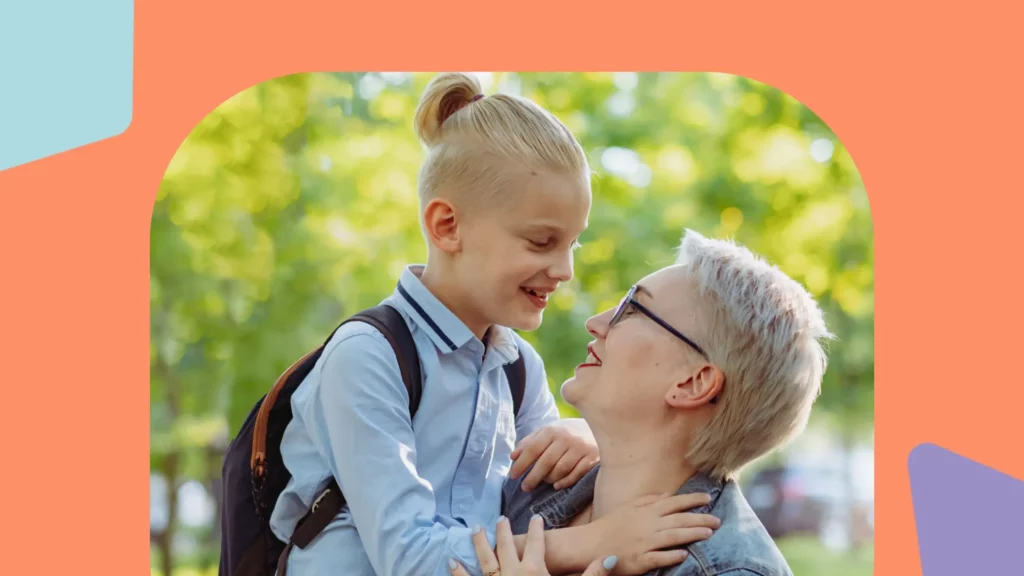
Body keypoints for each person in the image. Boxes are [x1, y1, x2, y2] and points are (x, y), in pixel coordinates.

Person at [269, 73, 718, 576]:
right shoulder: (367, 356)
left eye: (573, 243)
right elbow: (408, 557)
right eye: (541, 242)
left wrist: (584, 435)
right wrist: (596, 543)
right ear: (448, 226)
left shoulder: (516, 368)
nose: (565, 270)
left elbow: (549, 492)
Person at [457, 230, 833, 576]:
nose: (596, 322)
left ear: (693, 383)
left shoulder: (729, 570)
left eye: (632, 310)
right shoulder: (532, 484)